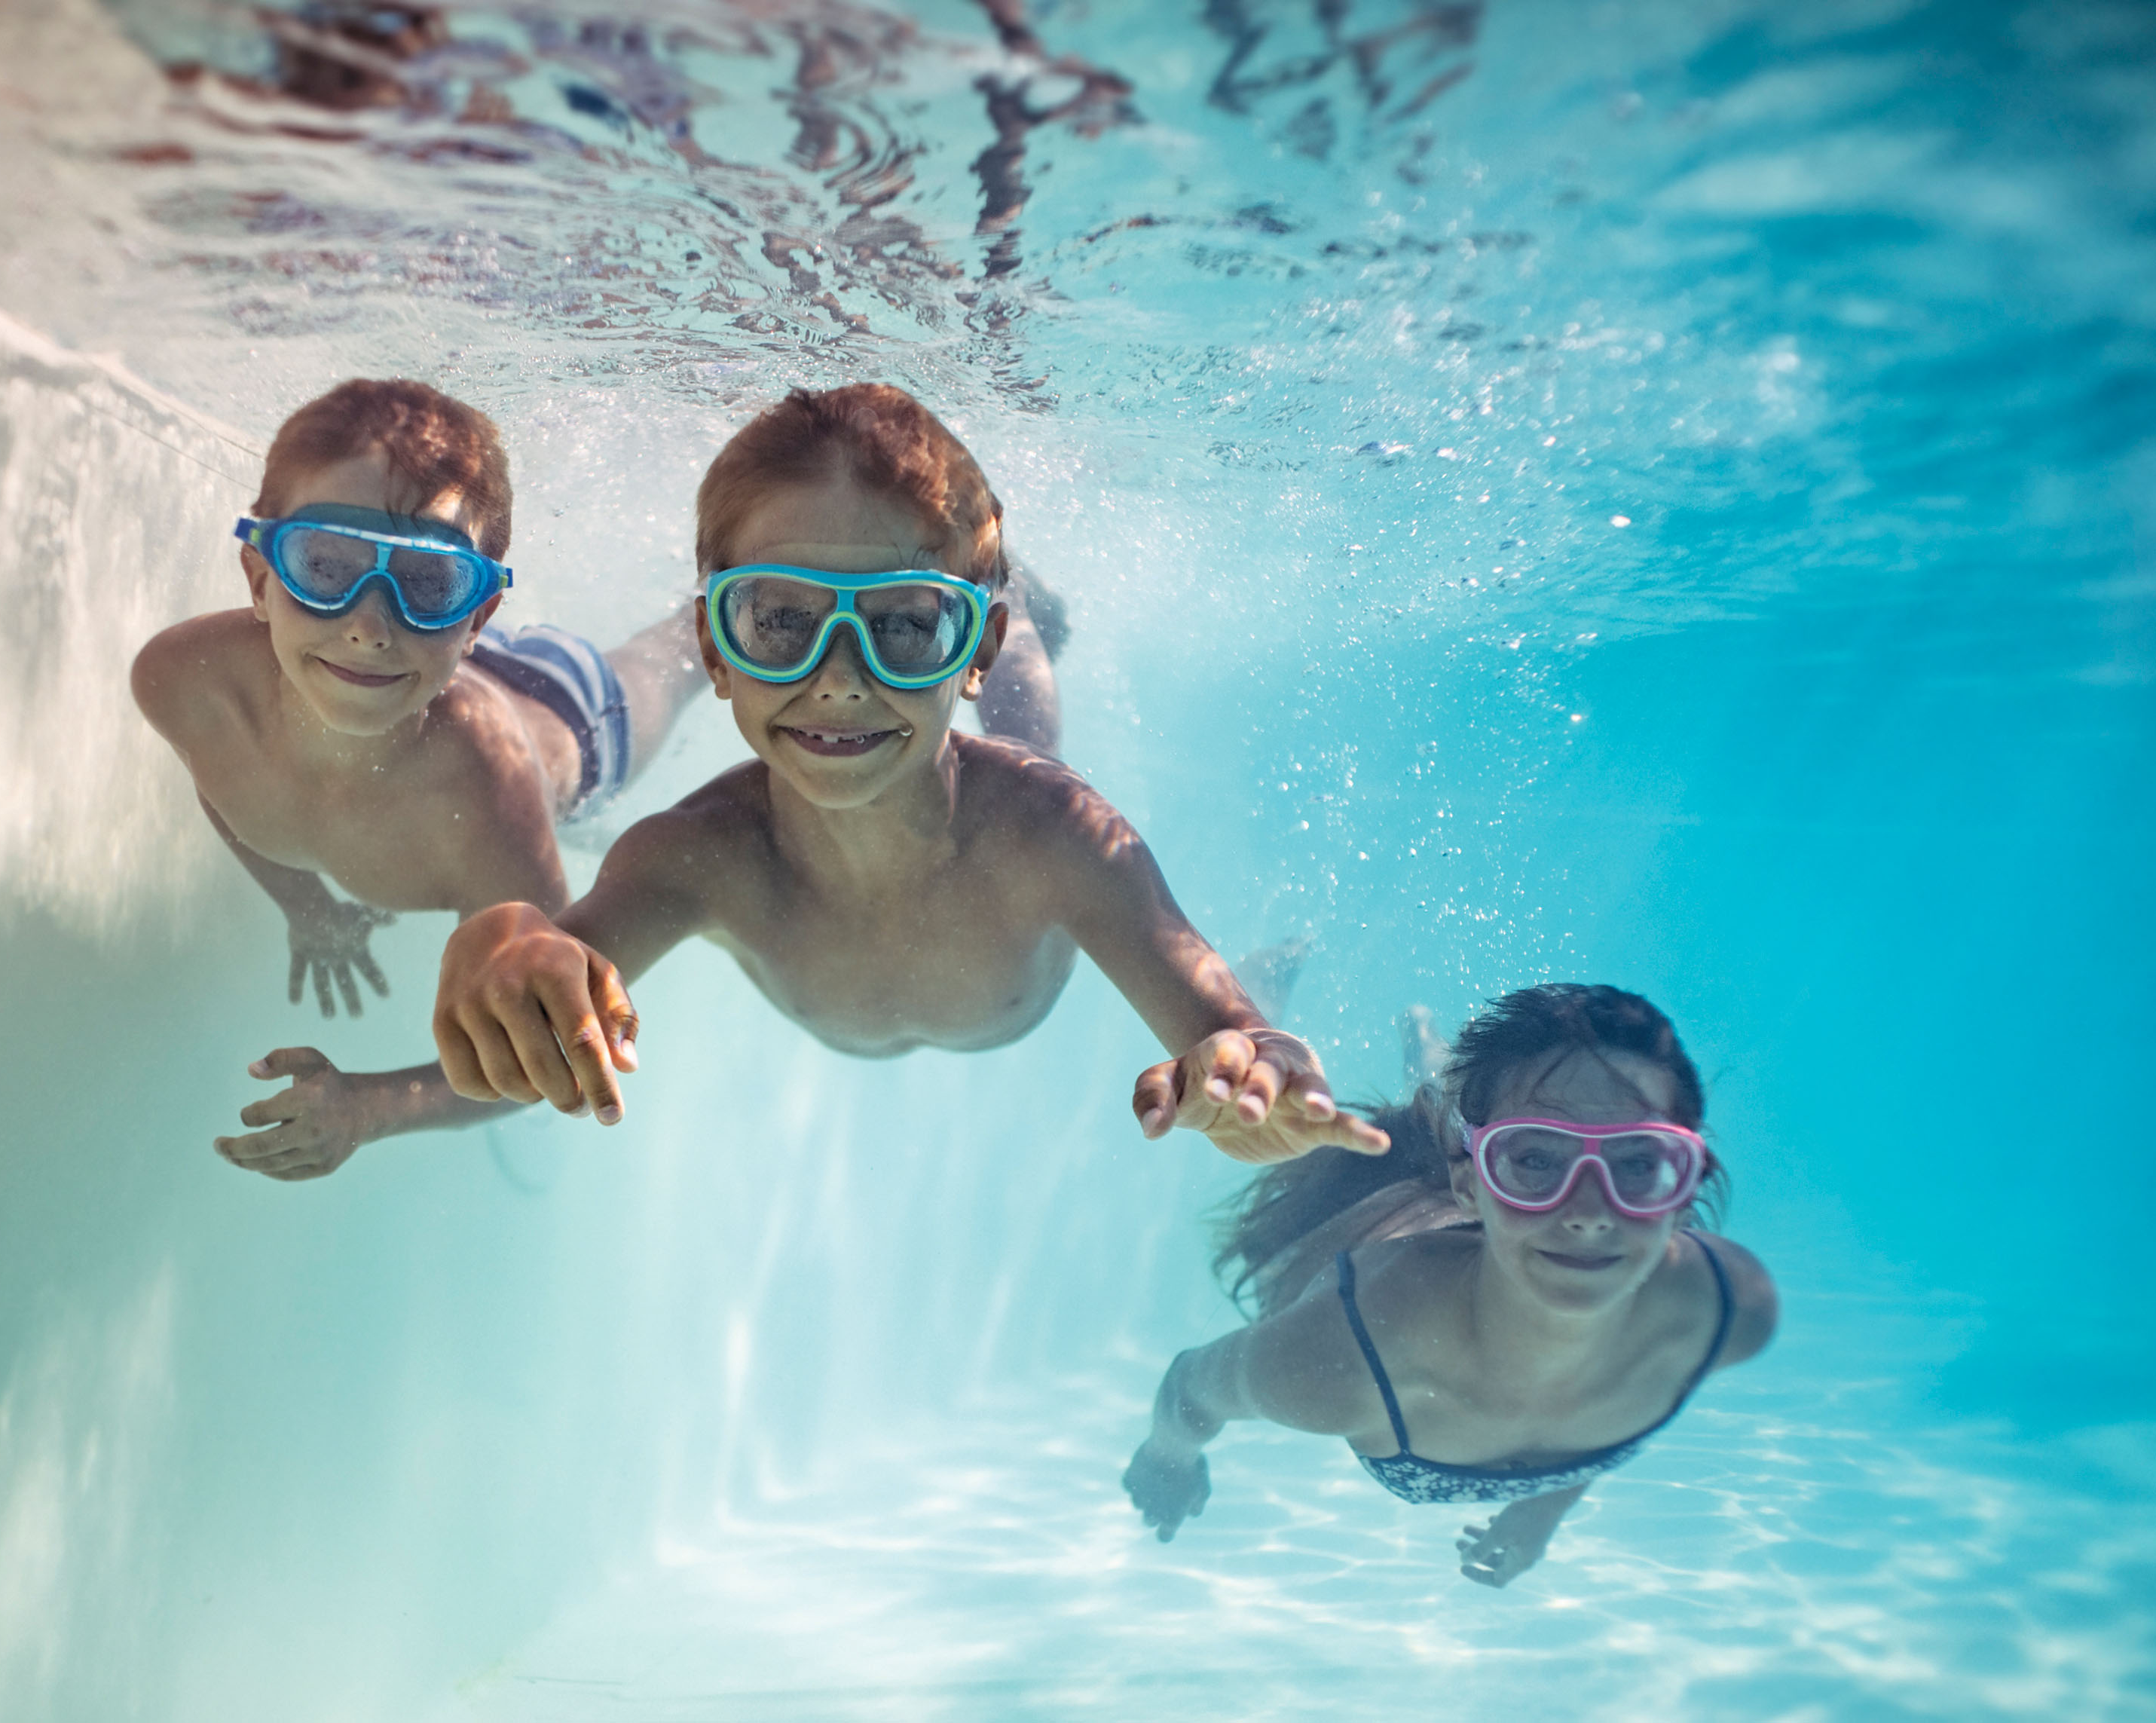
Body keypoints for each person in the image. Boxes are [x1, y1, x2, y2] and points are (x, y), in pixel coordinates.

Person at [426, 383, 1388, 1167]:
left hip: (1008, 783)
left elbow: (1234, 1032)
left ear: (972, 654)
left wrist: (1262, 1081)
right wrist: (501, 944)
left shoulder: (1058, 835)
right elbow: (536, 996)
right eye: (780, 621)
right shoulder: (694, 857)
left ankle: (1020, 618)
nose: (839, 679)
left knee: (1030, 749)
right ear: (716, 652)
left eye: (906, 623)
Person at [130, 378, 703, 1178]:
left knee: (670, 662)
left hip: (570, 714)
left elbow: (541, 1055)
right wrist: (307, 909)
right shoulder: (187, 681)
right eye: (326, 565)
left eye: (429, 582)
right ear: (261, 579)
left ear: (477, 620)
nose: (369, 624)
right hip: (432, 675)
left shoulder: (488, 799)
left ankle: (712, 610)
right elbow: (221, 781)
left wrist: (368, 1108)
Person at [1122, 984, 1778, 1587]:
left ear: (1686, 1182)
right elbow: (1192, 1385)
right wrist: (1167, 1457)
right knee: (1383, 1132)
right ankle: (1388, 1057)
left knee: (1452, 1116)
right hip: (1370, 1210)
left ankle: (1446, 1075)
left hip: (1475, 1200)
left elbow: (1585, 1385)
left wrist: (1540, 1515)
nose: (1588, 1211)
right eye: (1537, 1157)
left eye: (1637, 1162)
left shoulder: (1725, 1312)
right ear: (1471, 1184)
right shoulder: (1343, 1358)